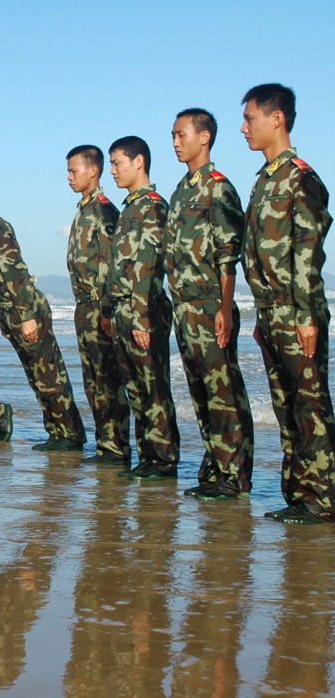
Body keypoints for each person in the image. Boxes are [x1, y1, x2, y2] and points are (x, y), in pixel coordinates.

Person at [240, 83, 335, 523]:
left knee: (310, 405)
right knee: (285, 403)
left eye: (250, 118)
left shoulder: (302, 177)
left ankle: (323, 498)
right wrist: (263, 314)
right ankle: (299, 494)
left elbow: (307, 254)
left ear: (276, 118)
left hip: (298, 312)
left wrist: (306, 316)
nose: (244, 128)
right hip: (272, 312)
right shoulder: (264, 181)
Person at [0, 170, 86, 451]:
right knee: (36, 377)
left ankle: (71, 435)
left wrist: (26, 316)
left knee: (49, 376)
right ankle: (57, 433)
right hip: (10, 311)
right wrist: (3, 316)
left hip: (26, 309)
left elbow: (15, 273)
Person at [162, 108, 254, 500]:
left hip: (210, 304)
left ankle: (234, 475)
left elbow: (227, 254)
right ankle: (216, 465)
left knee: (223, 392)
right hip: (184, 308)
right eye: (172, 135)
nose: (176, 141)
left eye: (182, 134)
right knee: (200, 393)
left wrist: (225, 307)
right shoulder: (181, 190)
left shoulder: (219, 188)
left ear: (204, 137)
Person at [107, 136, 180, 481]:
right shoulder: (129, 207)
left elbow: (148, 267)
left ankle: (164, 460)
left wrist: (142, 317)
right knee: (136, 389)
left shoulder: (152, 205)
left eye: (117, 162)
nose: (113, 170)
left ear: (139, 162)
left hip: (144, 311)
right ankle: (148, 455)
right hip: (124, 311)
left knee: (153, 387)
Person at [65, 145, 131, 465]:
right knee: (92, 381)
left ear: (93, 170)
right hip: (84, 307)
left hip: (99, 308)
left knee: (107, 379)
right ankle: (104, 442)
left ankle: (116, 446)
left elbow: (110, 264)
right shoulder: (84, 209)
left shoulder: (104, 210)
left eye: (74, 170)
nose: (69, 177)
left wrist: (107, 310)